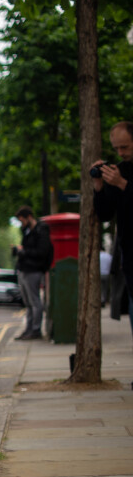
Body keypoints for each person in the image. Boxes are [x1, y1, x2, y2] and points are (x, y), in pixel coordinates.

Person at [92, 120, 133, 340]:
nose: (120, 152)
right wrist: (99, 186)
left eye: (125, 147)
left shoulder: (122, 177)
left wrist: (123, 184)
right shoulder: (121, 170)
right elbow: (105, 214)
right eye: (116, 148)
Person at [13, 205, 52, 341]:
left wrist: (24, 252)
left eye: (22, 220)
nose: (21, 224)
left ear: (29, 217)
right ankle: (28, 329)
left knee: (35, 302)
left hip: (33, 270)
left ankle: (36, 330)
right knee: (28, 303)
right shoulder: (27, 231)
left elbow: (42, 252)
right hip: (24, 269)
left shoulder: (41, 230)